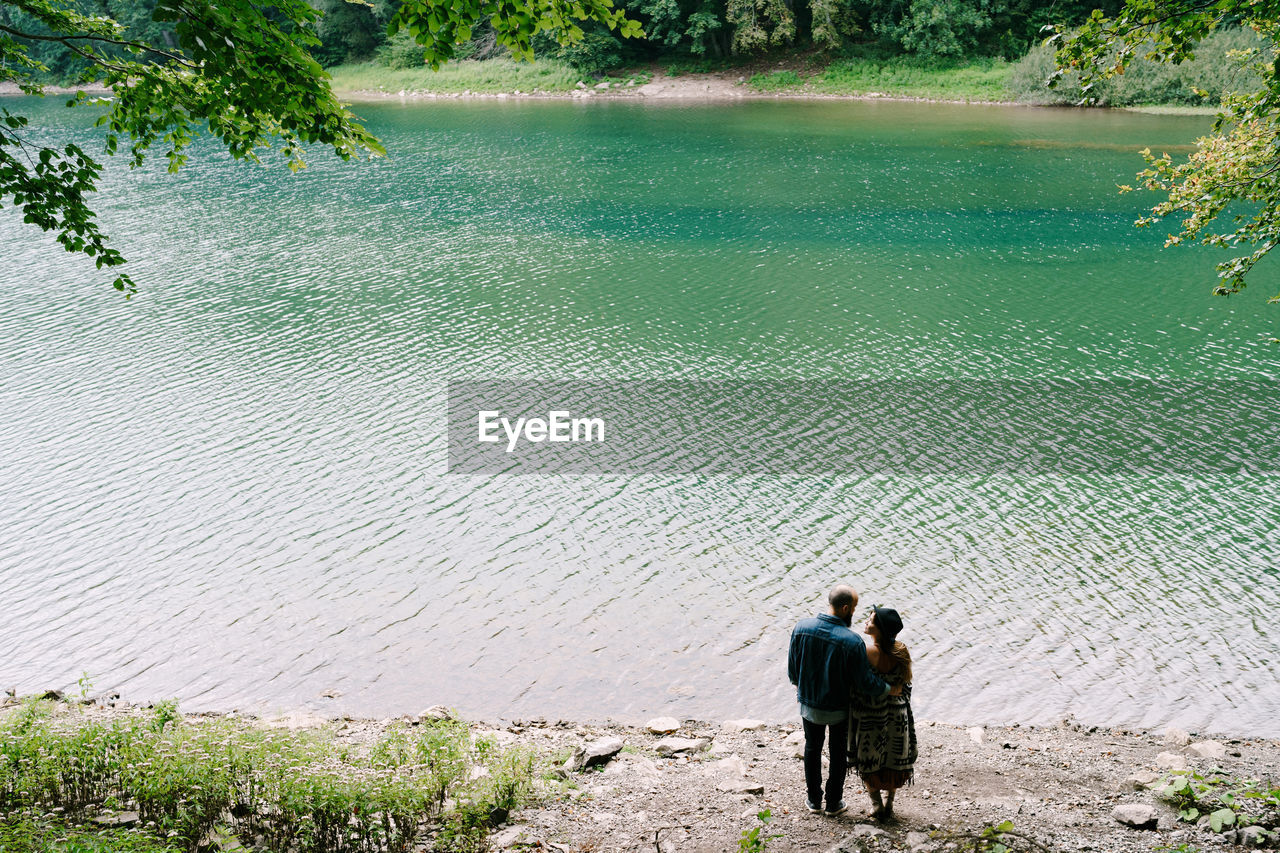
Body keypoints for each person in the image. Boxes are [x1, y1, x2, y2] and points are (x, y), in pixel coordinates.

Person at [788, 585, 897, 817]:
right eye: (854, 608)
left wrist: (802, 690)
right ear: (846, 608)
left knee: (812, 748)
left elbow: (792, 670)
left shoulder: (801, 628)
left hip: (809, 705)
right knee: (837, 752)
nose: (854, 613)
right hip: (838, 709)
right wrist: (889, 689)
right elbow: (865, 682)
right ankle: (834, 802)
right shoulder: (852, 641)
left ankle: (813, 800)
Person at [847, 605, 917, 821]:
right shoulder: (901, 651)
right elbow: (906, 684)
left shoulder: (867, 652)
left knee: (869, 760)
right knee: (893, 759)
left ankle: (876, 805)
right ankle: (890, 804)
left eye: (870, 620)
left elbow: (857, 685)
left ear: (880, 629)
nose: (866, 622)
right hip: (898, 715)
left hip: (871, 716)